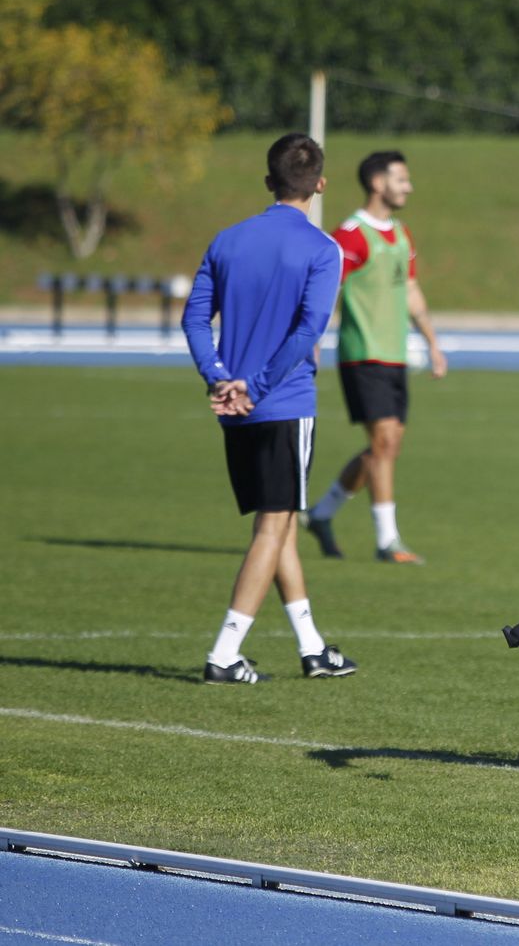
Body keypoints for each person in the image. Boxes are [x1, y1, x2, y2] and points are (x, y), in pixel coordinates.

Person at [182, 133, 357, 685]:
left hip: (233, 407)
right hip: (282, 401)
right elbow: (309, 330)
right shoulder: (322, 249)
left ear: (268, 181)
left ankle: (312, 648)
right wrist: (255, 386)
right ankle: (224, 654)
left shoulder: (227, 239)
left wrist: (218, 377)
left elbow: (194, 319)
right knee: (273, 527)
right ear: (321, 184)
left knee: (277, 523)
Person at [303, 151, 446, 564]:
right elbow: (325, 291)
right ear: (378, 183)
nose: (409, 187)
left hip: (395, 355)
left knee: (387, 447)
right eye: (402, 179)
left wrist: (432, 343)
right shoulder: (350, 235)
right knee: (383, 443)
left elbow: (411, 290)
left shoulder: (401, 233)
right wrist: (311, 342)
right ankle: (388, 542)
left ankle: (322, 514)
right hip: (362, 354)